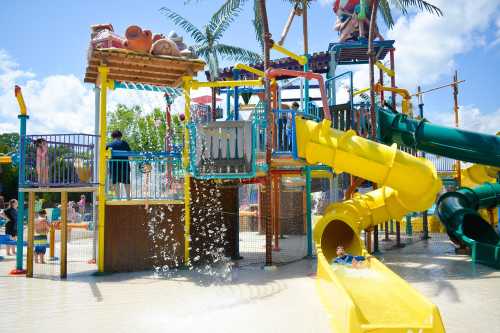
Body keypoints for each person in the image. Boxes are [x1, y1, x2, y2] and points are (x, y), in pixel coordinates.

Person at [106, 130, 131, 199]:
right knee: (126, 181)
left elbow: (106, 156)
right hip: (125, 164)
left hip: (114, 165)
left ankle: (118, 198)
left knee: (115, 181)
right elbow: (130, 155)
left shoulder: (109, 144)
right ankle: (128, 197)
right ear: (120, 136)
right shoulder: (125, 143)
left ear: (112, 136)